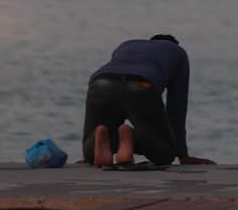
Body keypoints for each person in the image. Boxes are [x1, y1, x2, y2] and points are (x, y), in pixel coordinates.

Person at [80, 34, 214, 169]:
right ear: (174, 44)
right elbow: (176, 106)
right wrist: (182, 154)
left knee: (94, 142)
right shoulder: (178, 53)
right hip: (142, 84)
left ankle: (93, 151)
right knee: (164, 154)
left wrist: (86, 157)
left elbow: (118, 80)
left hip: (101, 83)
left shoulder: (126, 44)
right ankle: (130, 137)